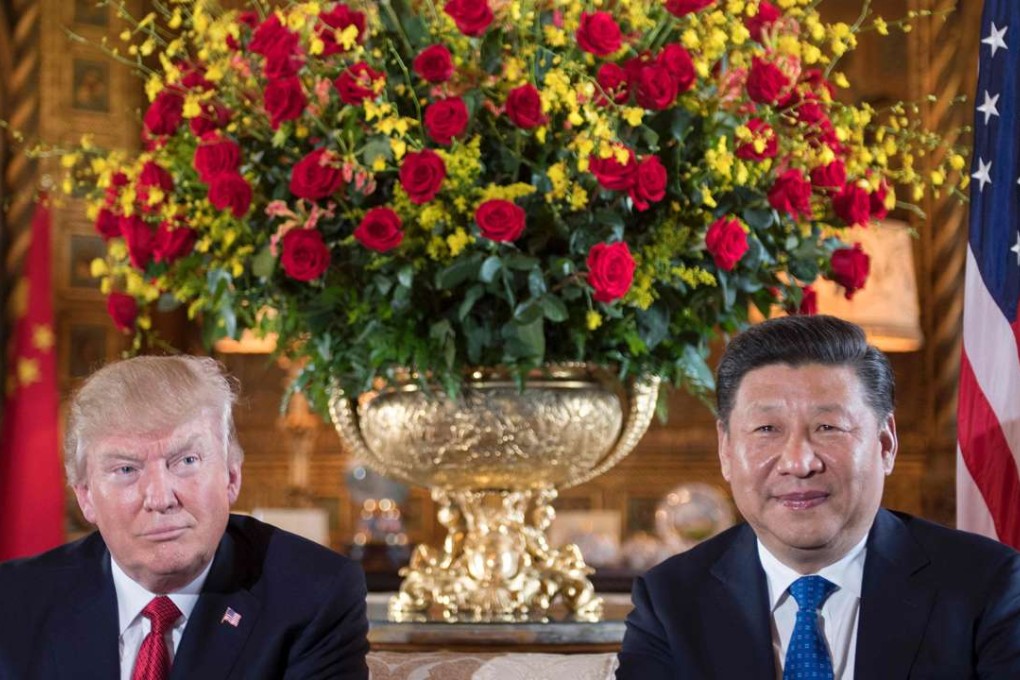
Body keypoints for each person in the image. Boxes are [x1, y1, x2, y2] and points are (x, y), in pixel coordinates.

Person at [616, 315, 1020, 679]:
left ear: (885, 444)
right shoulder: (670, 601)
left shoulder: (987, 588)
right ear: (726, 449)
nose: (798, 462)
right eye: (766, 429)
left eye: (828, 427)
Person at [0, 355, 370, 679]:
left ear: (231, 476)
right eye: (127, 469)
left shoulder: (314, 597)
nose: (161, 499)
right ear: (85, 497)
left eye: (187, 462)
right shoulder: (14, 603)